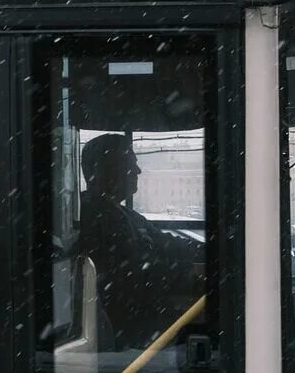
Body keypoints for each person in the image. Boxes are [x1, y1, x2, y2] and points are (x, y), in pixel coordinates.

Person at [75, 133, 206, 348]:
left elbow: (168, 244)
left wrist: (213, 251)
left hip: (143, 325)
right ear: (100, 171)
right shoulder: (94, 217)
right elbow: (136, 275)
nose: (138, 171)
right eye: (129, 163)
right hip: (135, 336)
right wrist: (192, 277)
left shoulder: (124, 214)